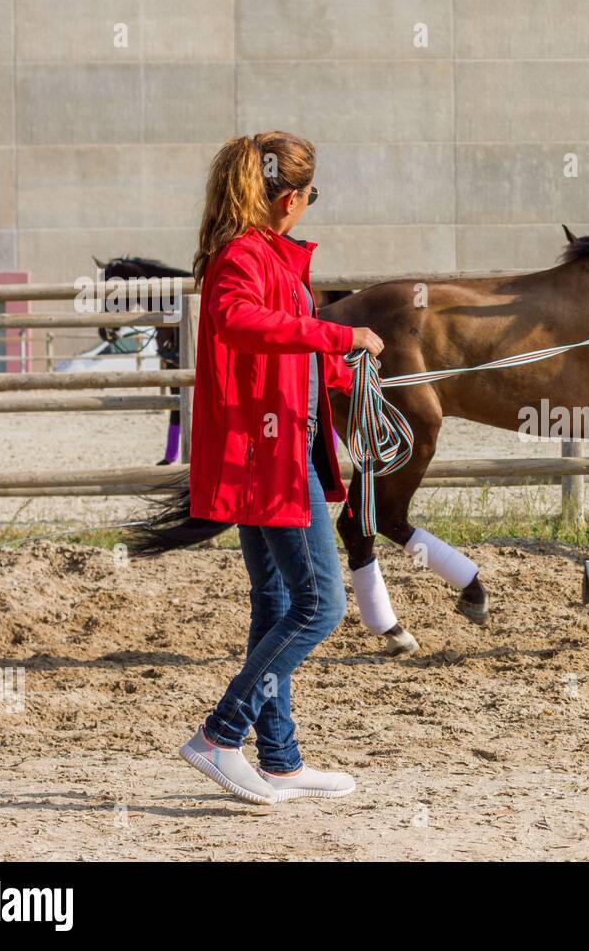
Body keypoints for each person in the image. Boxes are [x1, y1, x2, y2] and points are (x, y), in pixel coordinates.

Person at [176, 131, 384, 806]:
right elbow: (239, 321)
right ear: (289, 198)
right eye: (310, 196)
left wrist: (344, 367)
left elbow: (281, 348)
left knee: (275, 606)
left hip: (272, 448)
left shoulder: (268, 257)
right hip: (268, 457)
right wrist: (338, 334)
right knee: (320, 606)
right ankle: (219, 734)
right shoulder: (243, 257)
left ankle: (281, 759)